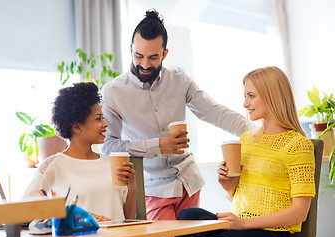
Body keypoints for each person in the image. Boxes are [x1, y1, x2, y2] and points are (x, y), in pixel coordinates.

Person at [100, 9, 251, 221]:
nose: (144, 64)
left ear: (165, 54)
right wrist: (157, 146)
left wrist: (257, 131)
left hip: (189, 182)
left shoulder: (179, 79)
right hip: (153, 187)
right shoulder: (113, 92)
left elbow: (214, 112)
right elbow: (109, 146)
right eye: (138, 55)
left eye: (153, 57)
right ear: (130, 49)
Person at [175, 66, 315, 237]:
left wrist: (243, 224)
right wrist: (230, 186)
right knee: (188, 217)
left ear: (272, 96)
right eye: (245, 96)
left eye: (251, 96)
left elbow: (300, 212)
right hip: (241, 227)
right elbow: (243, 196)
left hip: (272, 233)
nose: (245, 104)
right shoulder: (246, 139)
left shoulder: (298, 145)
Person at [22, 82, 137, 222]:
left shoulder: (111, 164)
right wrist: (76, 216)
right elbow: (25, 210)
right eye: (98, 119)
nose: (105, 124)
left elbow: (128, 219)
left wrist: (132, 189)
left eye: (103, 118)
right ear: (76, 126)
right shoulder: (53, 166)